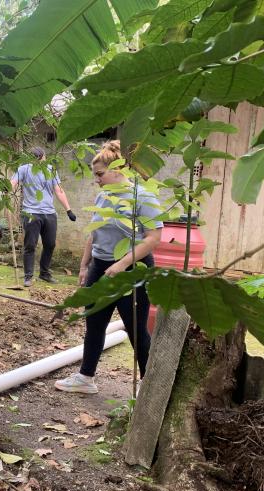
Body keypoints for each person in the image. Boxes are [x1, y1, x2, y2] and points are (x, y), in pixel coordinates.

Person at [54, 140, 162, 395]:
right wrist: (84, 266)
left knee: (136, 327)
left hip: (133, 269)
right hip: (100, 266)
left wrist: (122, 264)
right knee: (94, 322)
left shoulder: (142, 197)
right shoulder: (103, 196)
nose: (97, 180)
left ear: (119, 169)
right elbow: (94, 233)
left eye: (100, 174)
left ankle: (149, 387)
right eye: (96, 176)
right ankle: (86, 377)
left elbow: (153, 238)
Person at [11, 146, 76, 287]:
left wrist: (68, 210)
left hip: (49, 213)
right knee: (30, 245)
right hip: (31, 213)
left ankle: (44, 273)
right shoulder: (24, 169)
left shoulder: (51, 169)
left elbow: (59, 191)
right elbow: (13, 183)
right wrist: (6, 189)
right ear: (39, 157)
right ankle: (28, 276)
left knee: (50, 244)